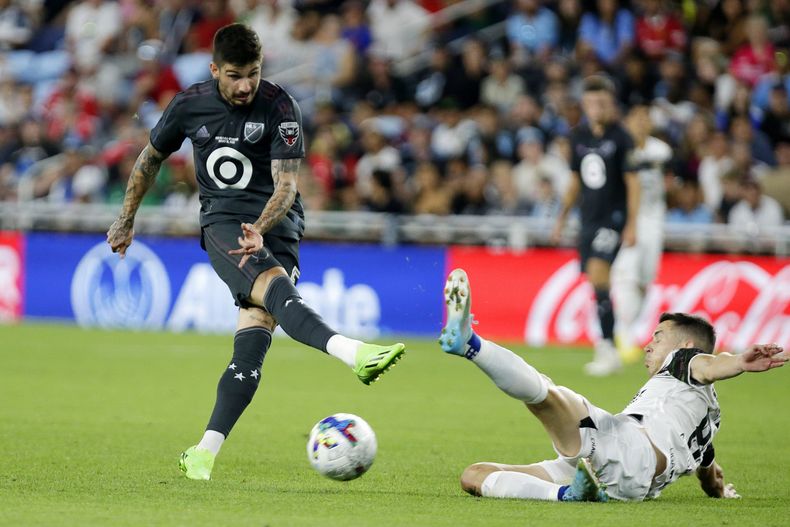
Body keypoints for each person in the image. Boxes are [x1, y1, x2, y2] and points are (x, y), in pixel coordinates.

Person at [106, 24, 405, 481]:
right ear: (214, 70)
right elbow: (149, 159)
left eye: (253, 73)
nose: (246, 85)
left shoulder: (281, 105)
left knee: (257, 327)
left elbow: (287, 184)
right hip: (223, 222)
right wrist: (126, 217)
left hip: (277, 224)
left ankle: (203, 452)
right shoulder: (189, 104)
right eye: (234, 75)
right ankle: (353, 352)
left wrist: (262, 229)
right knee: (273, 289)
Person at [439, 268, 786, 502]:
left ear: (683, 347)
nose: (649, 345)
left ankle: (470, 344)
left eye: (658, 336)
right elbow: (710, 474)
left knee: (549, 395)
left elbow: (712, 363)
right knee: (474, 475)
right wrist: (719, 491)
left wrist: (740, 361)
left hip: (628, 448)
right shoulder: (705, 422)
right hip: (623, 475)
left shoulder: (684, 363)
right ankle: (568, 494)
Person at [551, 74, 640, 376]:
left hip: (612, 218)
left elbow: (633, 182)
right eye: (591, 101)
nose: (597, 107)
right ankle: (607, 345)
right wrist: (562, 217)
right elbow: (576, 180)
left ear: (610, 103)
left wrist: (631, 223)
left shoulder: (621, 137)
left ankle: (607, 348)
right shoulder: (578, 137)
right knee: (595, 281)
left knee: (601, 274)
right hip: (587, 219)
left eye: (602, 101)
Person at [611, 104, 671, 363]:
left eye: (645, 118)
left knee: (645, 280)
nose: (641, 122)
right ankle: (622, 333)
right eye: (635, 117)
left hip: (655, 219)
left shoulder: (661, 149)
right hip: (628, 217)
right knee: (627, 275)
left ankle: (628, 329)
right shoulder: (619, 147)